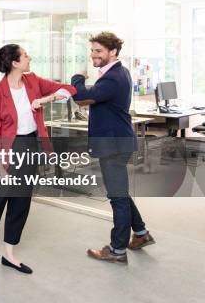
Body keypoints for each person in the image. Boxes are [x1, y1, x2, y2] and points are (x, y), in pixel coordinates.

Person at [0, 44, 76, 279]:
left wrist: (46, 99)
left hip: (29, 147)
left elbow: (69, 89)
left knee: (21, 203)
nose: (29, 57)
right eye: (25, 55)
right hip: (5, 151)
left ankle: (9, 254)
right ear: (15, 63)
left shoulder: (33, 81)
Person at [71, 31, 156, 265]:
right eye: (92, 50)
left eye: (98, 51)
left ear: (113, 52)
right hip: (118, 141)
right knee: (121, 192)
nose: (93, 55)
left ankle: (117, 250)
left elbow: (81, 97)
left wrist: (77, 77)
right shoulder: (118, 72)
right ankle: (140, 234)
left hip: (113, 144)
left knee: (117, 197)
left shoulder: (112, 77)